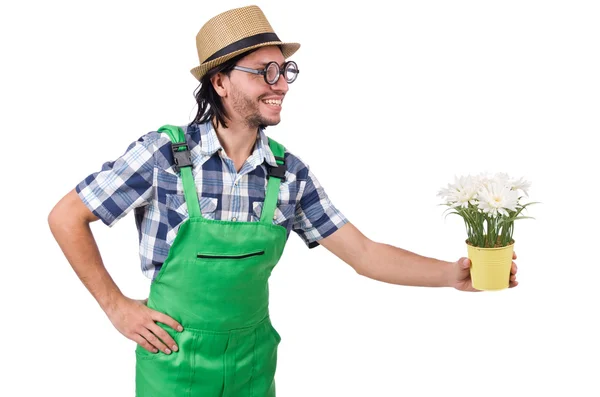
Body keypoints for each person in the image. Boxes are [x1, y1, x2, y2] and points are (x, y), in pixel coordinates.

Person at [48, 5, 518, 397]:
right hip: (171, 364)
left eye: (285, 70)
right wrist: (115, 306)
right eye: (265, 72)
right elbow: (67, 216)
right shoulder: (162, 156)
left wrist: (453, 276)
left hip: (254, 365)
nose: (282, 84)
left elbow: (366, 254)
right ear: (220, 82)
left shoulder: (288, 173)